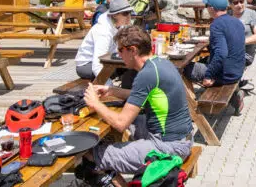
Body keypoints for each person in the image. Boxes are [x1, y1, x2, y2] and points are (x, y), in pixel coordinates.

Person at [78, 26, 191, 178]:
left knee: (91, 154)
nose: (118, 54)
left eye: (120, 50)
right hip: (181, 138)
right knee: (132, 122)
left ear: (133, 50)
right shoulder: (162, 63)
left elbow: (120, 123)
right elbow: (143, 95)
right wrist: (111, 91)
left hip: (168, 148)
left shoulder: (146, 75)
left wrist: (95, 103)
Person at [183, 0, 245, 114]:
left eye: (207, 6)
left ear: (211, 8)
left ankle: (192, 109)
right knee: (202, 61)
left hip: (225, 75)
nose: (206, 8)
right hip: (237, 70)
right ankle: (236, 97)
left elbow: (221, 53)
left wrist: (209, 76)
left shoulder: (216, 25)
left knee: (184, 69)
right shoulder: (237, 22)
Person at [75, 0, 134, 83]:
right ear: (114, 15)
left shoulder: (118, 25)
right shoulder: (103, 31)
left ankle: (128, 91)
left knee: (132, 65)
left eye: (129, 12)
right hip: (86, 65)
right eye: (125, 13)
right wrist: (110, 88)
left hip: (106, 60)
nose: (129, 16)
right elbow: (97, 65)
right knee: (123, 69)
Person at [227, 0, 256, 67]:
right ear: (230, 4)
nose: (240, 5)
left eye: (241, 1)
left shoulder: (251, 13)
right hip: (228, 52)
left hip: (245, 54)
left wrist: (238, 43)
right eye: (236, 3)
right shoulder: (228, 14)